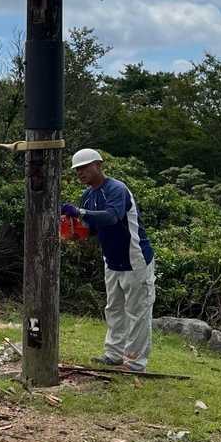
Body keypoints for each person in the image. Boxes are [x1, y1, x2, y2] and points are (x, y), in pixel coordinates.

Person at [61, 148, 155, 372]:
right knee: (114, 308)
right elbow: (93, 228)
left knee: (137, 311)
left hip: (134, 258)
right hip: (111, 259)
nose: (80, 173)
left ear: (98, 165)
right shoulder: (88, 195)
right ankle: (114, 354)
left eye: (84, 167)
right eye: (77, 170)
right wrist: (76, 233)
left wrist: (79, 212)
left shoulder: (116, 188)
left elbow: (112, 217)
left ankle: (135, 363)